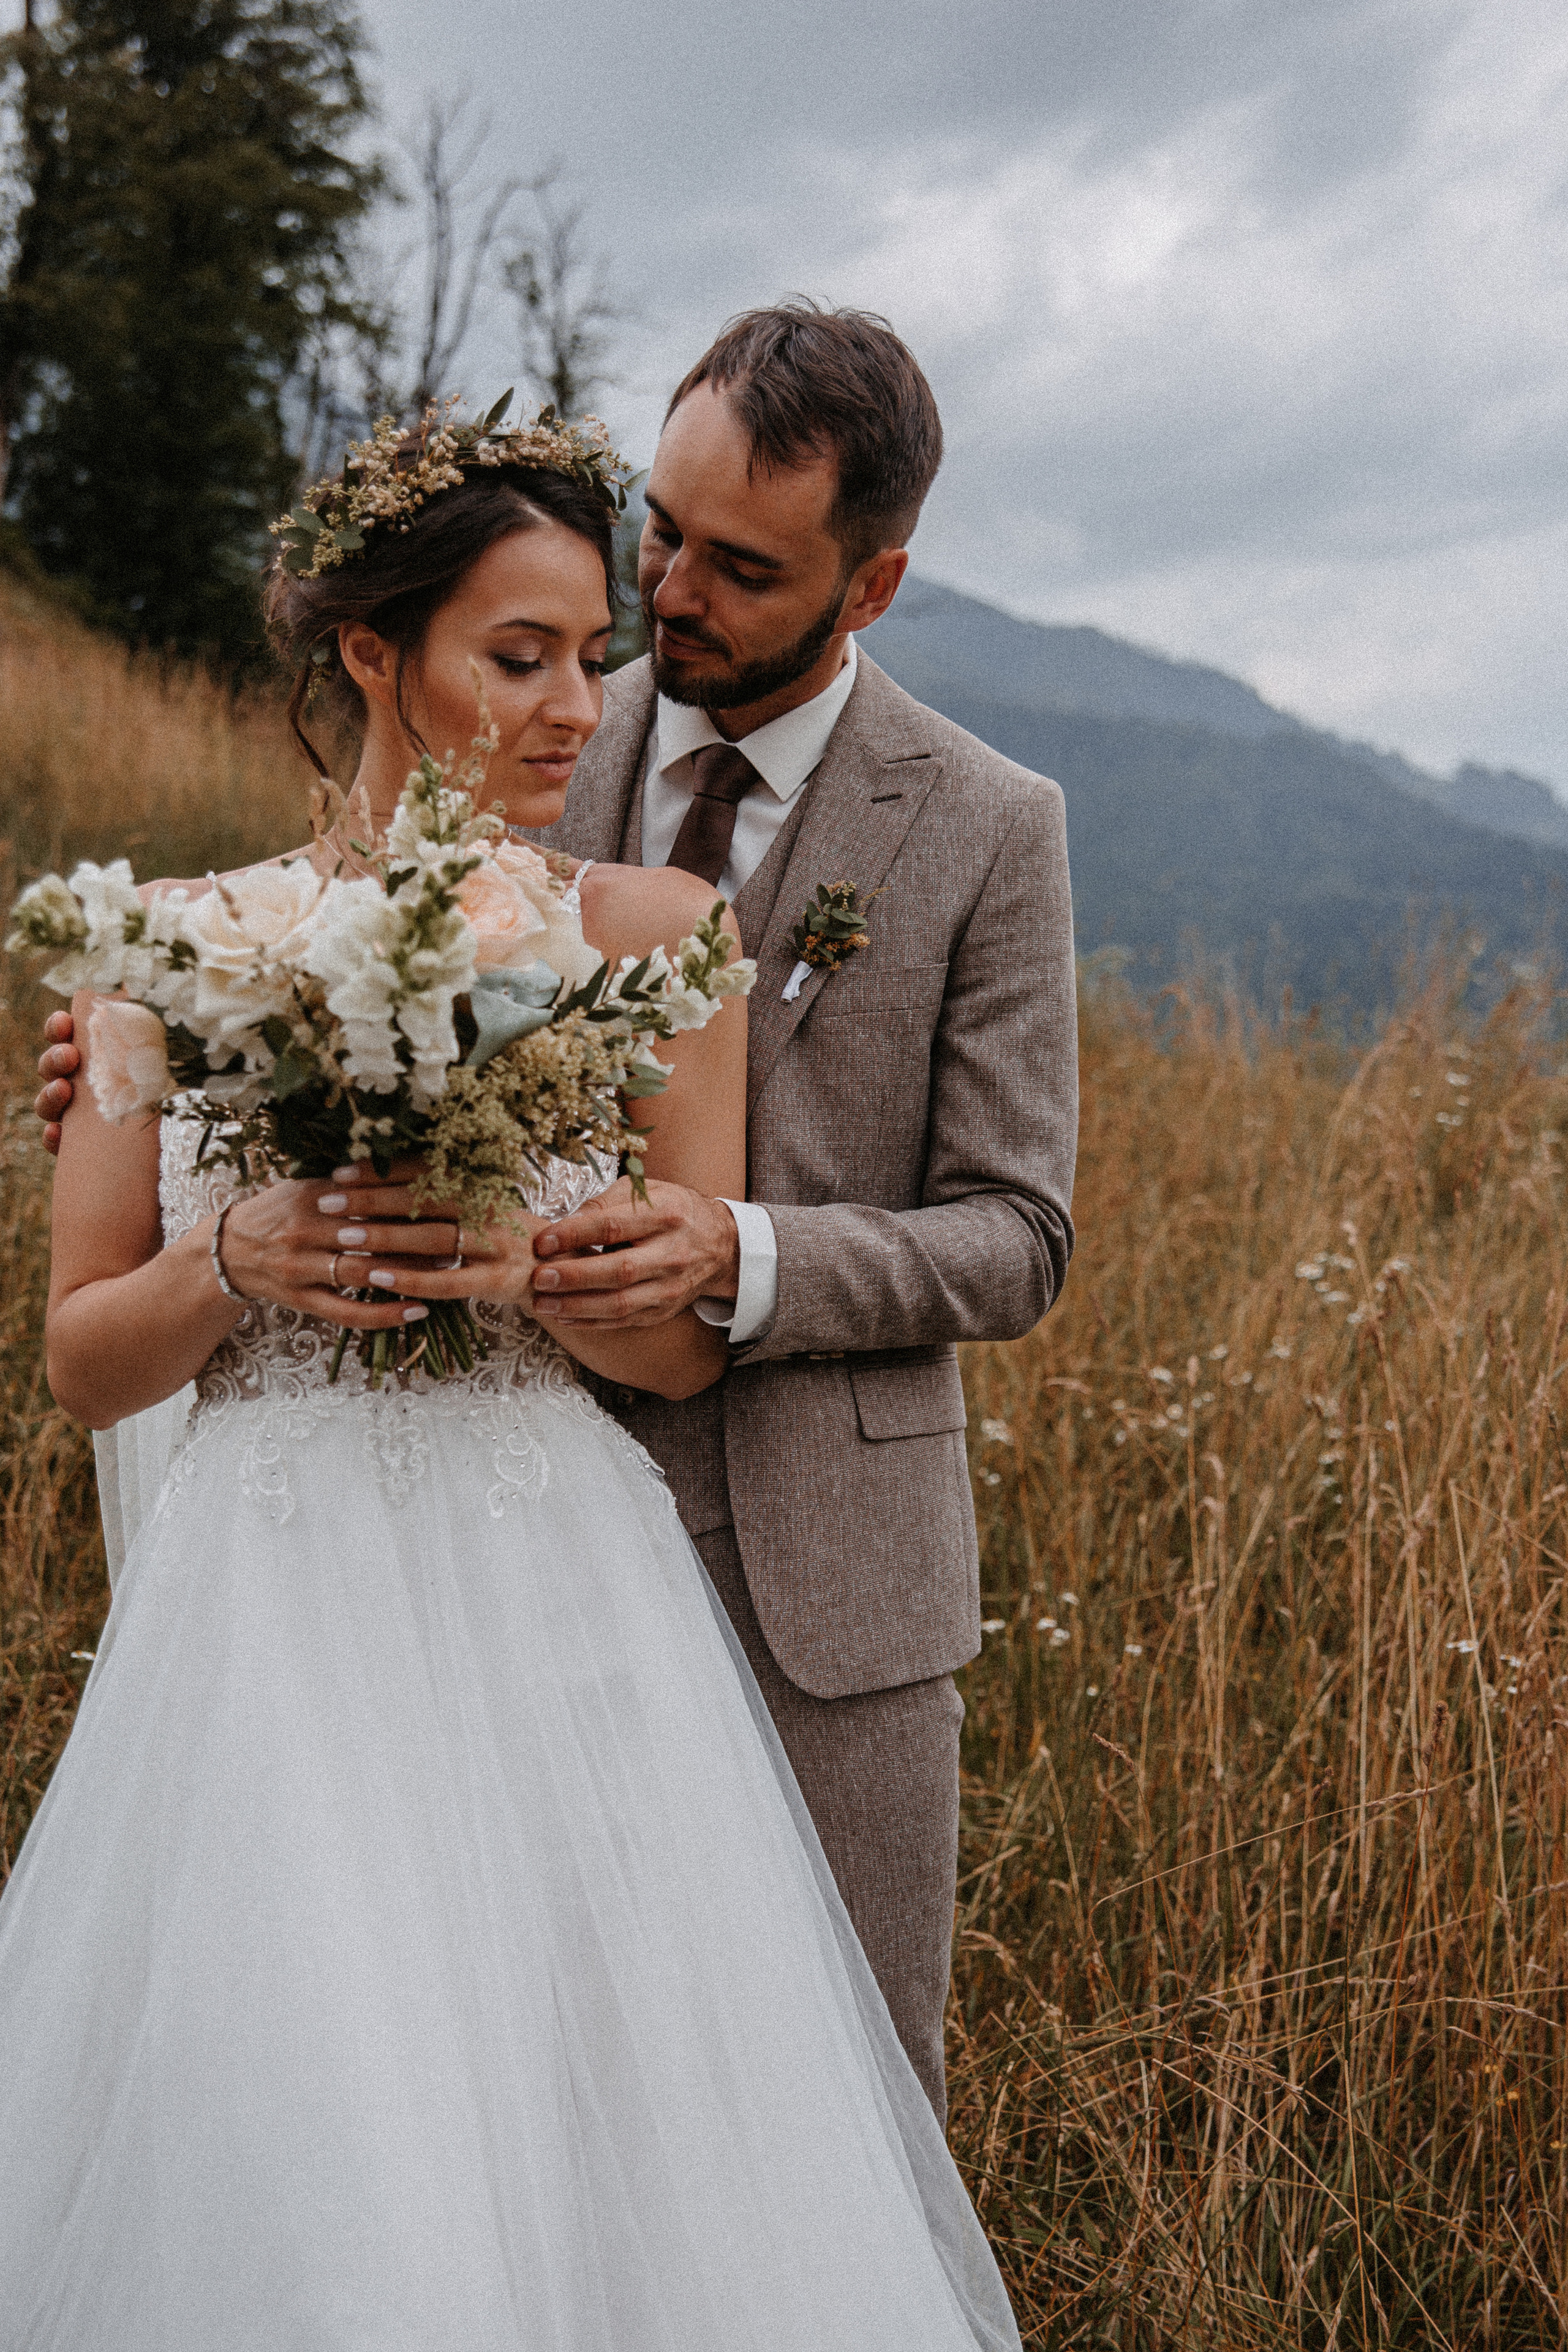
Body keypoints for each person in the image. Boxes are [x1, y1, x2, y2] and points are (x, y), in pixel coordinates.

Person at [1, 420, 1022, 2347]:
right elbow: (76, 1358)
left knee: (607, 2124)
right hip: (271, 1623)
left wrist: (528, 1273)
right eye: (520, 655)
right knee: (312, 2126)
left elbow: (672, 1327)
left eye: (585, 652)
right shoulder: (164, 952)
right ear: (375, 656)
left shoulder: (656, 939)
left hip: (563, 1591)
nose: (580, 702)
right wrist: (233, 1263)